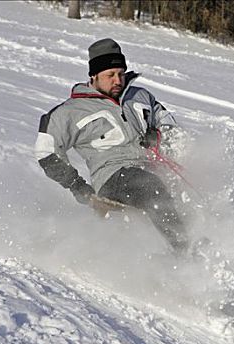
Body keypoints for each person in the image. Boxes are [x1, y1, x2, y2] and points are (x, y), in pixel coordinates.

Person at [35, 38, 188, 253]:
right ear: (94, 76)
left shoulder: (141, 96)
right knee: (150, 185)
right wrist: (79, 188)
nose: (118, 80)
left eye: (121, 73)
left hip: (153, 168)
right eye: (110, 75)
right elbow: (46, 152)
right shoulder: (70, 111)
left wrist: (160, 136)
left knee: (204, 192)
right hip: (114, 177)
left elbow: (171, 126)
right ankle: (187, 251)